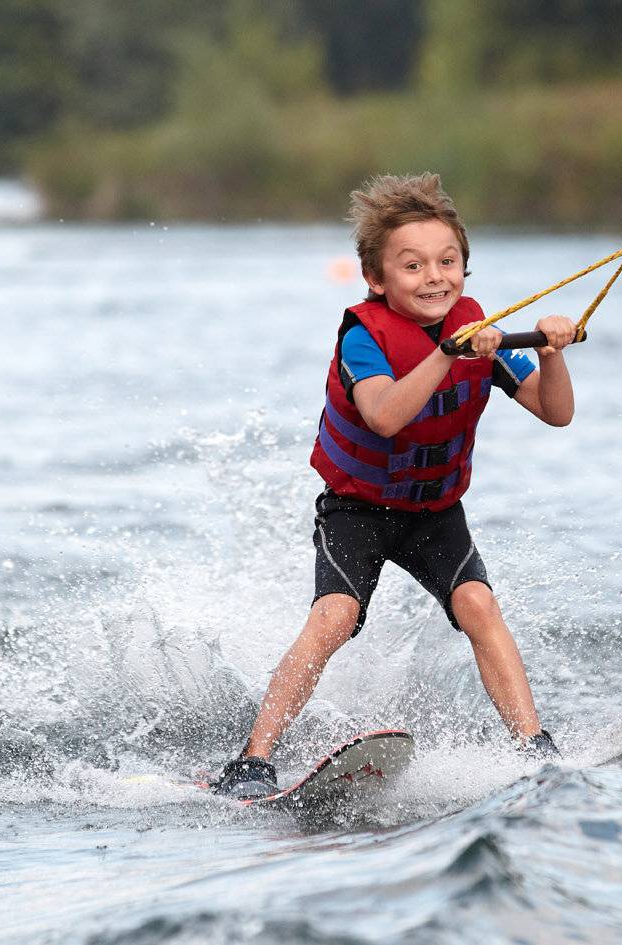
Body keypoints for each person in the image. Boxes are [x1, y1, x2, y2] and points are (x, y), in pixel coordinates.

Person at [212, 173, 578, 799]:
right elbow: (384, 416)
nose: (435, 277)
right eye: (413, 266)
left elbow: (556, 412)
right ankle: (252, 759)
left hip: (435, 511)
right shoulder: (365, 336)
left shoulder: (478, 330)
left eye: (448, 262)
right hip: (356, 508)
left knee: (479, 606)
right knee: (334, 616)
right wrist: (447, 351)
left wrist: (550, 353)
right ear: (378, 280)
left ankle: (533, 747)